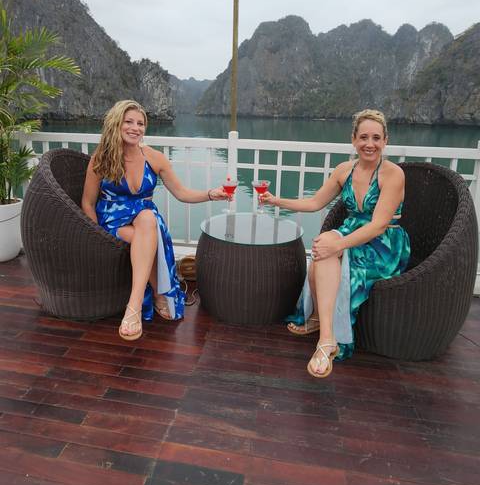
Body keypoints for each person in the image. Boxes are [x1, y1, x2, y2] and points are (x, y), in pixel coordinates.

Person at [261, 109, 410, 378]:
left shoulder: (393, 174)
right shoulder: (344, 170)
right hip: (352, 232)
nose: (369, 144)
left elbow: (377, 225)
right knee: (325, 245)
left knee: (327, 247)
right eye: (363, 137)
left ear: (385, 141)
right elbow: (314, 202)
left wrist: (338, 245)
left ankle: (323, 331)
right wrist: (276, 201)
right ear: (353, 139)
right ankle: (326, 334)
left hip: (383, 244)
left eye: (376, 138)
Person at [81, 100, 228, 341]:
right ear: (116, 124)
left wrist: (211, 194)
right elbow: (87, 202)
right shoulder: (101, 159)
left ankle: (134, 305)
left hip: (144, 221)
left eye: (140, 123)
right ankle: (155, 296)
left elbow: (182, 193)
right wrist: (95, 234)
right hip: (113, 222)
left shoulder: (154, 157)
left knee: (148, 218)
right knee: (149, 237)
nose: (135, 128)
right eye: (129, 122)